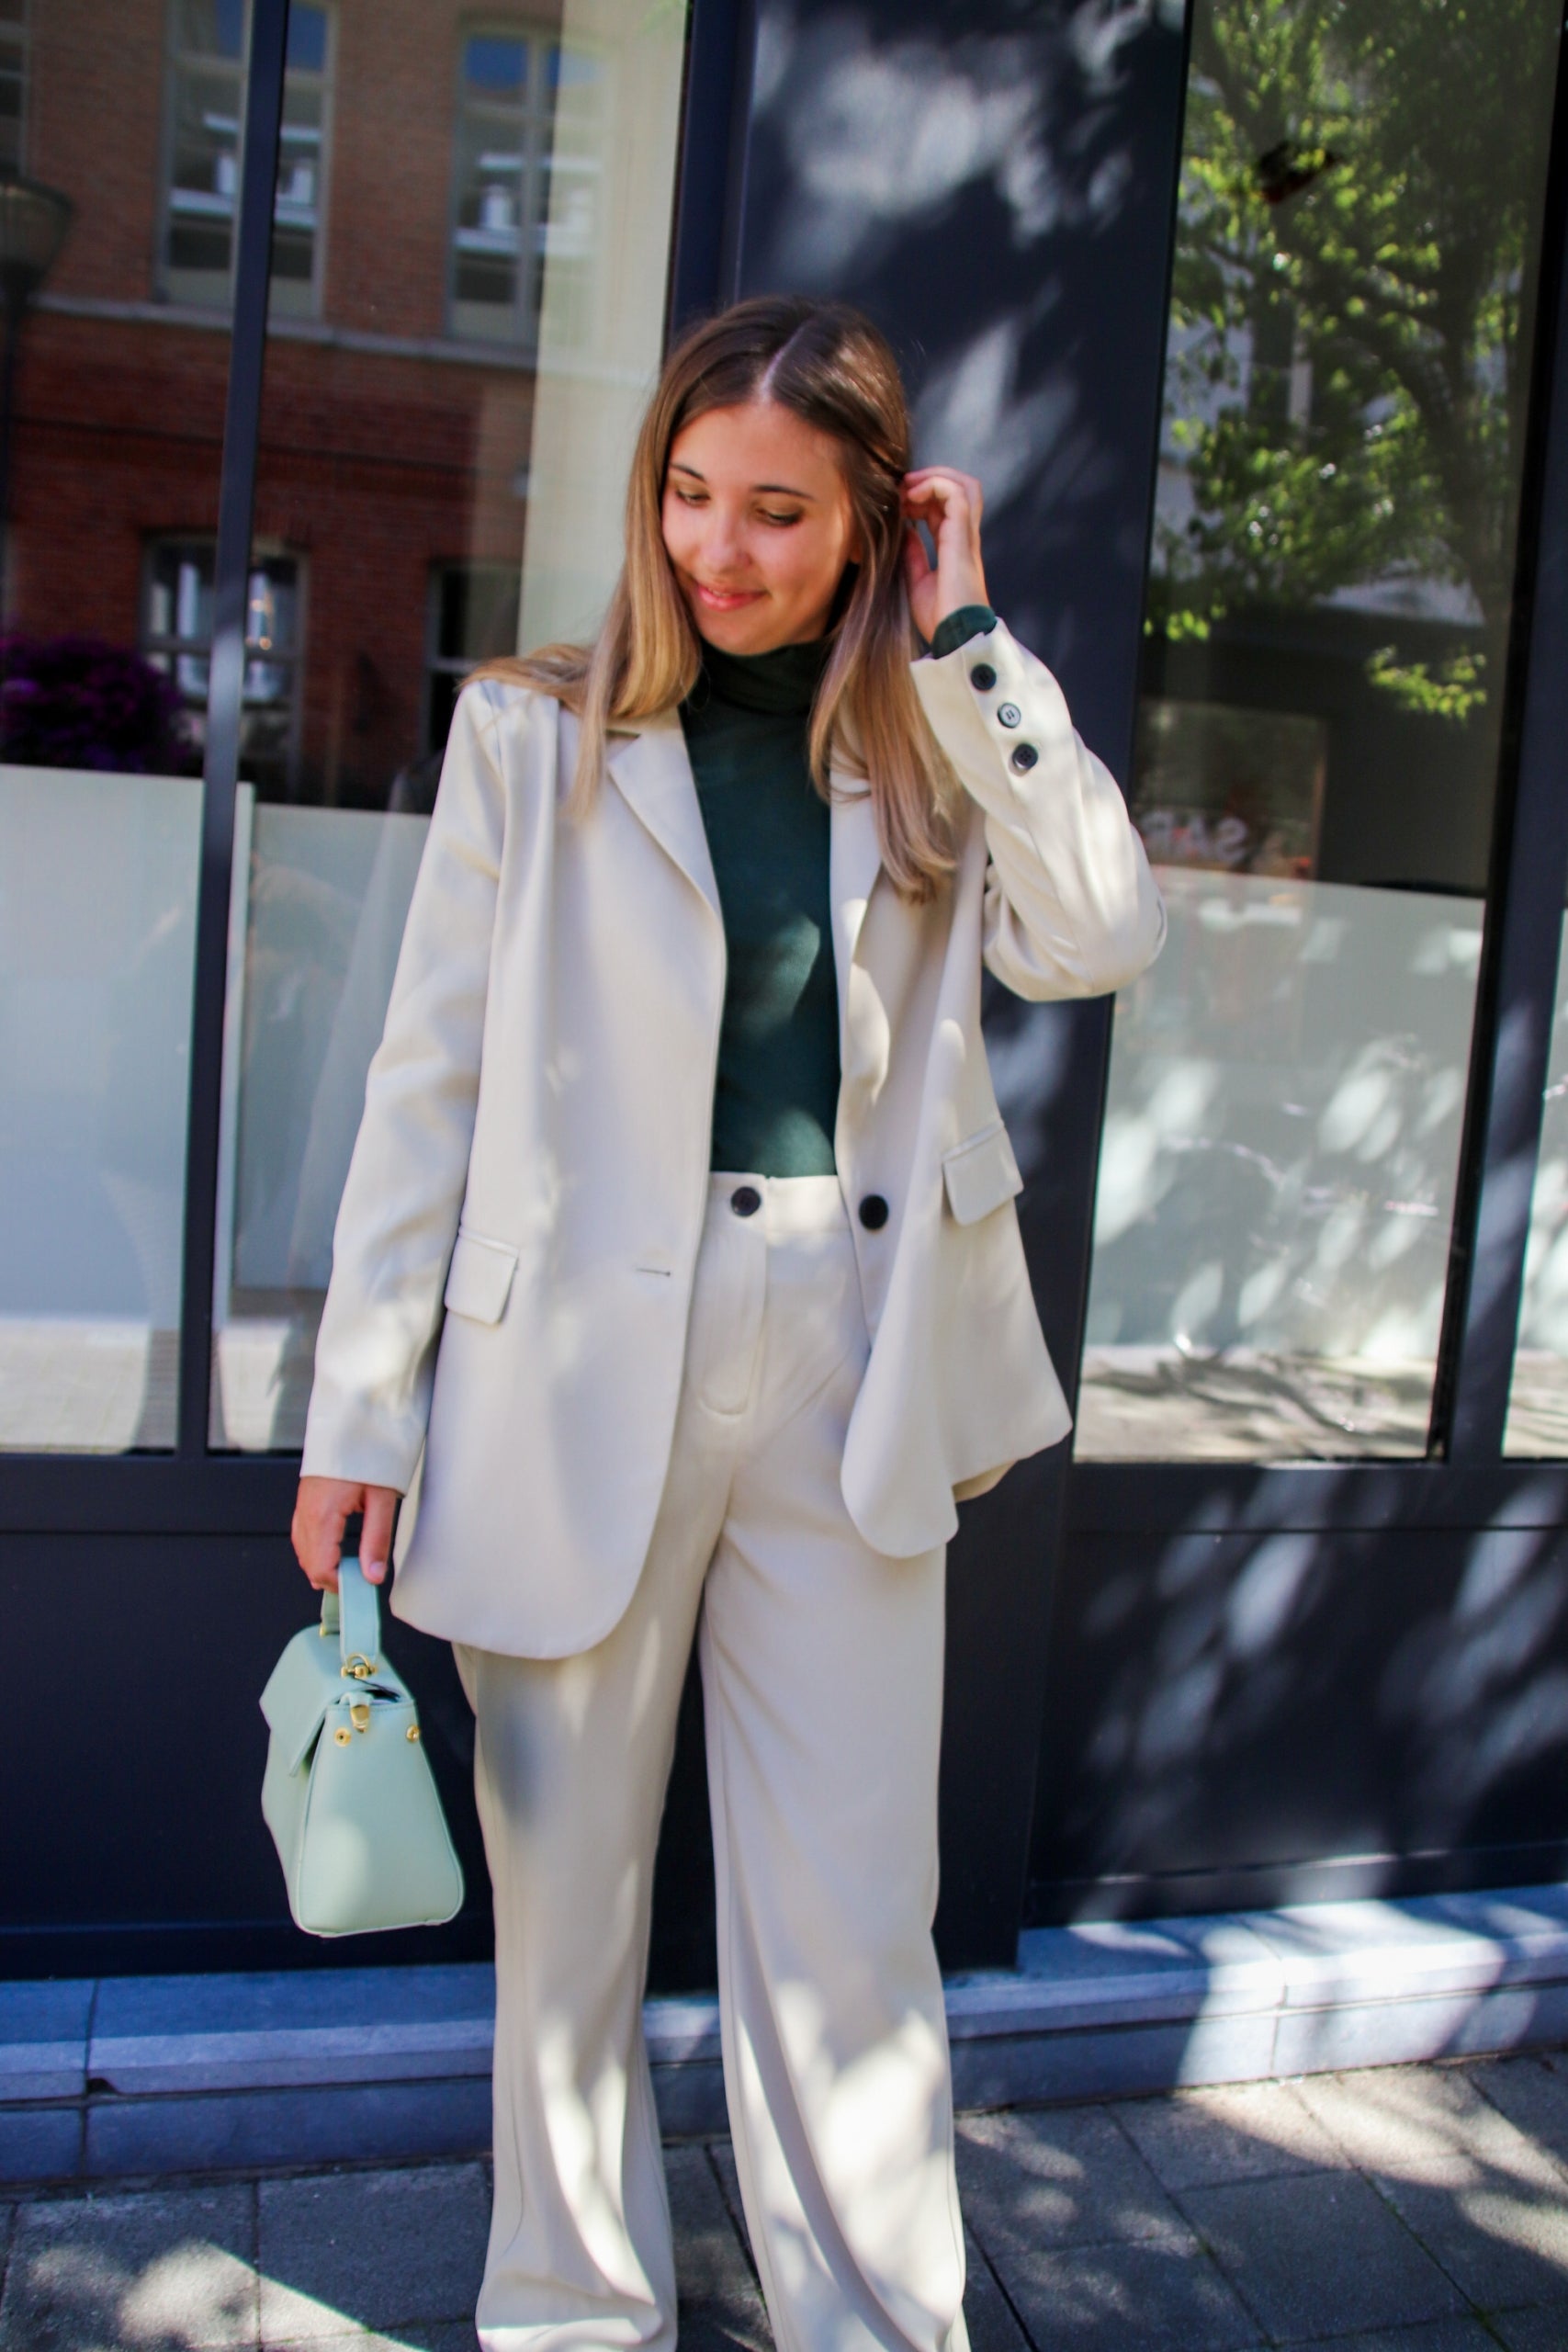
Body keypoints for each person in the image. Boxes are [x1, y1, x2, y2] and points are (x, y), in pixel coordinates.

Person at [292, 295, 1165, 2352]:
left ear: (871, 519)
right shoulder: (535, 730)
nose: (717, 546)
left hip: (848, 1355)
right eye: (689, 494)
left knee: (856, 1921)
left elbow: (1098, 930)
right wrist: (362, 1413)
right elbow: (424, 1090)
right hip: (563, 1365)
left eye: (777, 510)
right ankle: (569, 2314)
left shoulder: (929, 741)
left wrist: (972, 643)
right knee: (565, 1915)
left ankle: (877, 2320)